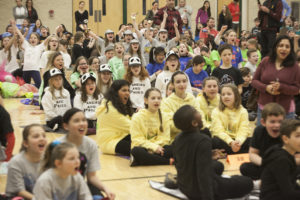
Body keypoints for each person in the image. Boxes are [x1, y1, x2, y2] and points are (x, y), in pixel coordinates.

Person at [172, 105, 253, 200]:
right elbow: (203, 176)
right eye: (196, 112)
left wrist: (208, 155)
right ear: (194, 123)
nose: (200, 113)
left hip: (184, 186)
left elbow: (180, 164)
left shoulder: (177, 139)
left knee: (218, 166)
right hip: (200, 191)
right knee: (247, 182)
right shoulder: (203, 140)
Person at [56, 108, 115, 199]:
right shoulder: (56, 146)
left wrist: (105, 188)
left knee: (97, 194)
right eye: (76, 121)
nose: (82, 123)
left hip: (79, 186)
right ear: (66, 126)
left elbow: (91, 177)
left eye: (84, 120)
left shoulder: (91, 145)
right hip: (58, 188)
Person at [252, 35, 300, 125]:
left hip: (286, 112)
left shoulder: (295, 66)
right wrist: (266, 88)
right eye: (281, 45)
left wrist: (282, 87)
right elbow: (254, 81)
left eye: (287, 46)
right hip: (264, 109)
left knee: (284, 139)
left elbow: (297, 89)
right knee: (262, 137)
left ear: (290, 50)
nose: (284, 49)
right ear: (276, 47)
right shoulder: (265, 61)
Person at [240, 103, 285, 180]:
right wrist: (265, 163)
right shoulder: (259, 131)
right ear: (263, 122)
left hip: (284, 166)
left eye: (280, 122)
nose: (277, 125)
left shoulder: (287, 131)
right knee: (244, 168)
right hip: (265, 165)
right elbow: (252, 154)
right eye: (272, 122)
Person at [130, 88, 172, 166]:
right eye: (153, 98)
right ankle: (167, 161)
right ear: (146, 100)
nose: (156, 101)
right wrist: (153, 147)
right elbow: (137, 139)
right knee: (136, 151)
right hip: (144, 148)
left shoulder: (164, 116)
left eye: (159, 98)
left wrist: (157, 148)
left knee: (173, 149)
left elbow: (165, 138)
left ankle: (144, 160)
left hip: (160, 148)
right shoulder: (137, 117)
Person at [260, 119, 300, 200]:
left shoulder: (288, 153)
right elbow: (289, 194)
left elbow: (292, 183)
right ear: (285, 139)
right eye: (298, 136)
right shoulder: (281, 159)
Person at [5, 124, 47, 199]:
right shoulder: (16, 162)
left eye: (44, 136)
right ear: (26, 143)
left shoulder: (48, 159)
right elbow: (19, 191)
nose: (42, 139)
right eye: (36, 136)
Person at [161, 71, 202, 141]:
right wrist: (189, 126)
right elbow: (169, 124)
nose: (182, 84)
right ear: (173, 84)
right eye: (178, 82)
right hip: (176, 138)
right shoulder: (166, 102)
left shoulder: (192, 98)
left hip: (194, 134)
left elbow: (200, 117)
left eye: (184, 81)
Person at [211, 84, 251, 154]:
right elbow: (218, 130)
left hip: (238, 141)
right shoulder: (216, 111)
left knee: (253, 141)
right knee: (214, 141)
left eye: (229, 94)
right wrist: (230, 142)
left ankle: (232, 151)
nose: (226, 96)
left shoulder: (243, 111)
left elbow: (244, 129)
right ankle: (237, 151)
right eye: (223, 94)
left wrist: (239, 142)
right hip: (224, 141)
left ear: (236, 96)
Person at [96, 80, 133, 156]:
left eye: (128, 90)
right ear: (115, 92)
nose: (127, 93)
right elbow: (131, 127)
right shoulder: (109, 110)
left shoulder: (118, 105)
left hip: (121, 135)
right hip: (109, 142)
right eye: (124, 90)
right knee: (141, 148)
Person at [13, 20, 50, 88]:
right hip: (26, 69)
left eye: (35, 38)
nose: (33, 39)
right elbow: (21, 36)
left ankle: (33, 89)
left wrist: (54, 33)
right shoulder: (26, 45)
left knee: (39, 85)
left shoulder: (40, 47)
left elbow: (46, 40)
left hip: (35, 69)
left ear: (38, 40)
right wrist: (15, 27)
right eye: (31, 38)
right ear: (29, 40)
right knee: (24, 86)